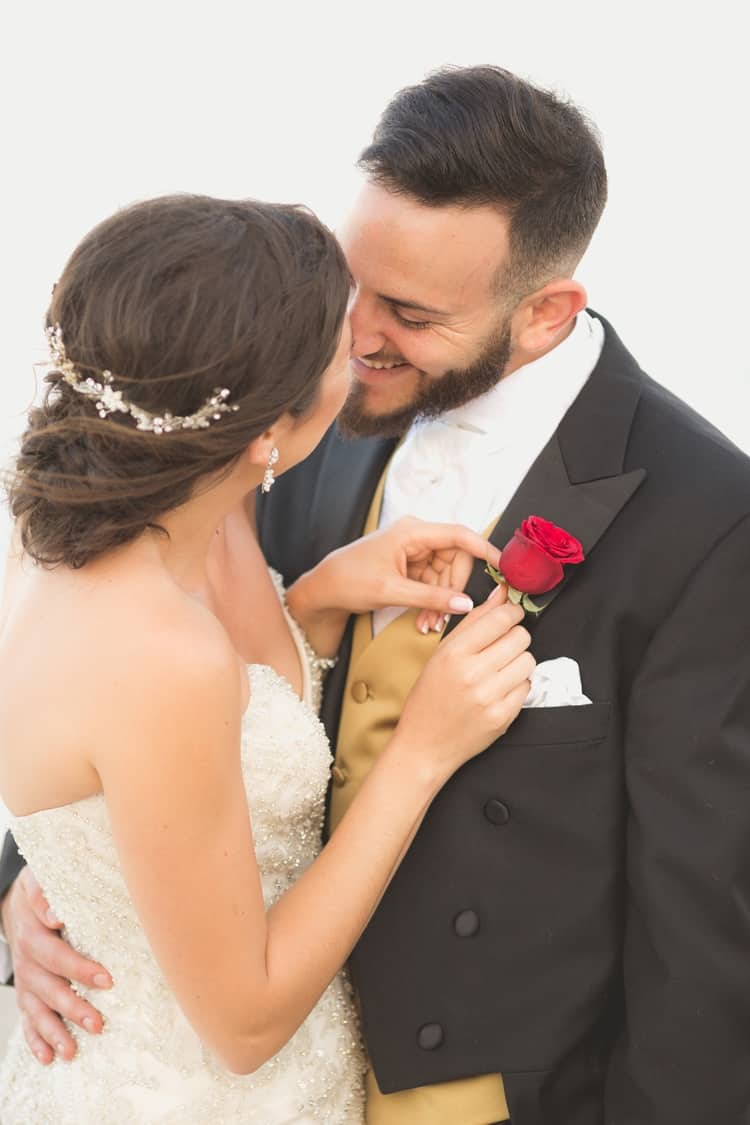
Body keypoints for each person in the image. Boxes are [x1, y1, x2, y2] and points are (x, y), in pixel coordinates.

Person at [3, 65, 750, 1125]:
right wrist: (36, 886)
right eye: (353, 287)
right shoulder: (262, 410)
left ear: (544, 313)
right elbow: (116, 693)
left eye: (408, 313)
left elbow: (703, 922)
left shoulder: (708, 515)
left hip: (487, 1092)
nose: (354, 339)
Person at [0, 193, 535, 1123]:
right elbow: (244, 1028)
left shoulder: (124, 532)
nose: (366, 342)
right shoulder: (160, 652)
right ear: (268, 436)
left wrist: (314, 602)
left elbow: (159, 761)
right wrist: (421, 752)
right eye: (340, 346)